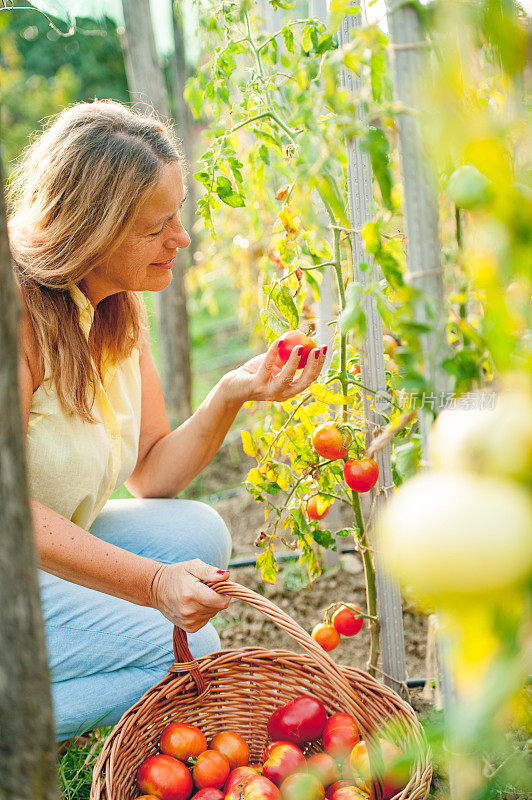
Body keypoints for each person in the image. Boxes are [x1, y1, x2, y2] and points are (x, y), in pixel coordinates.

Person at [9, 99, 327, 742]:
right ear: (91, 231)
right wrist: (152, 586)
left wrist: (233, 393)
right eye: (157, 227)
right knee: (191, 646)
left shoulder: (114, 310)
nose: (180, 239)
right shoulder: (19, 320)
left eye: (176, 215)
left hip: (37, 556)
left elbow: (152, 473)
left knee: (198, 534)